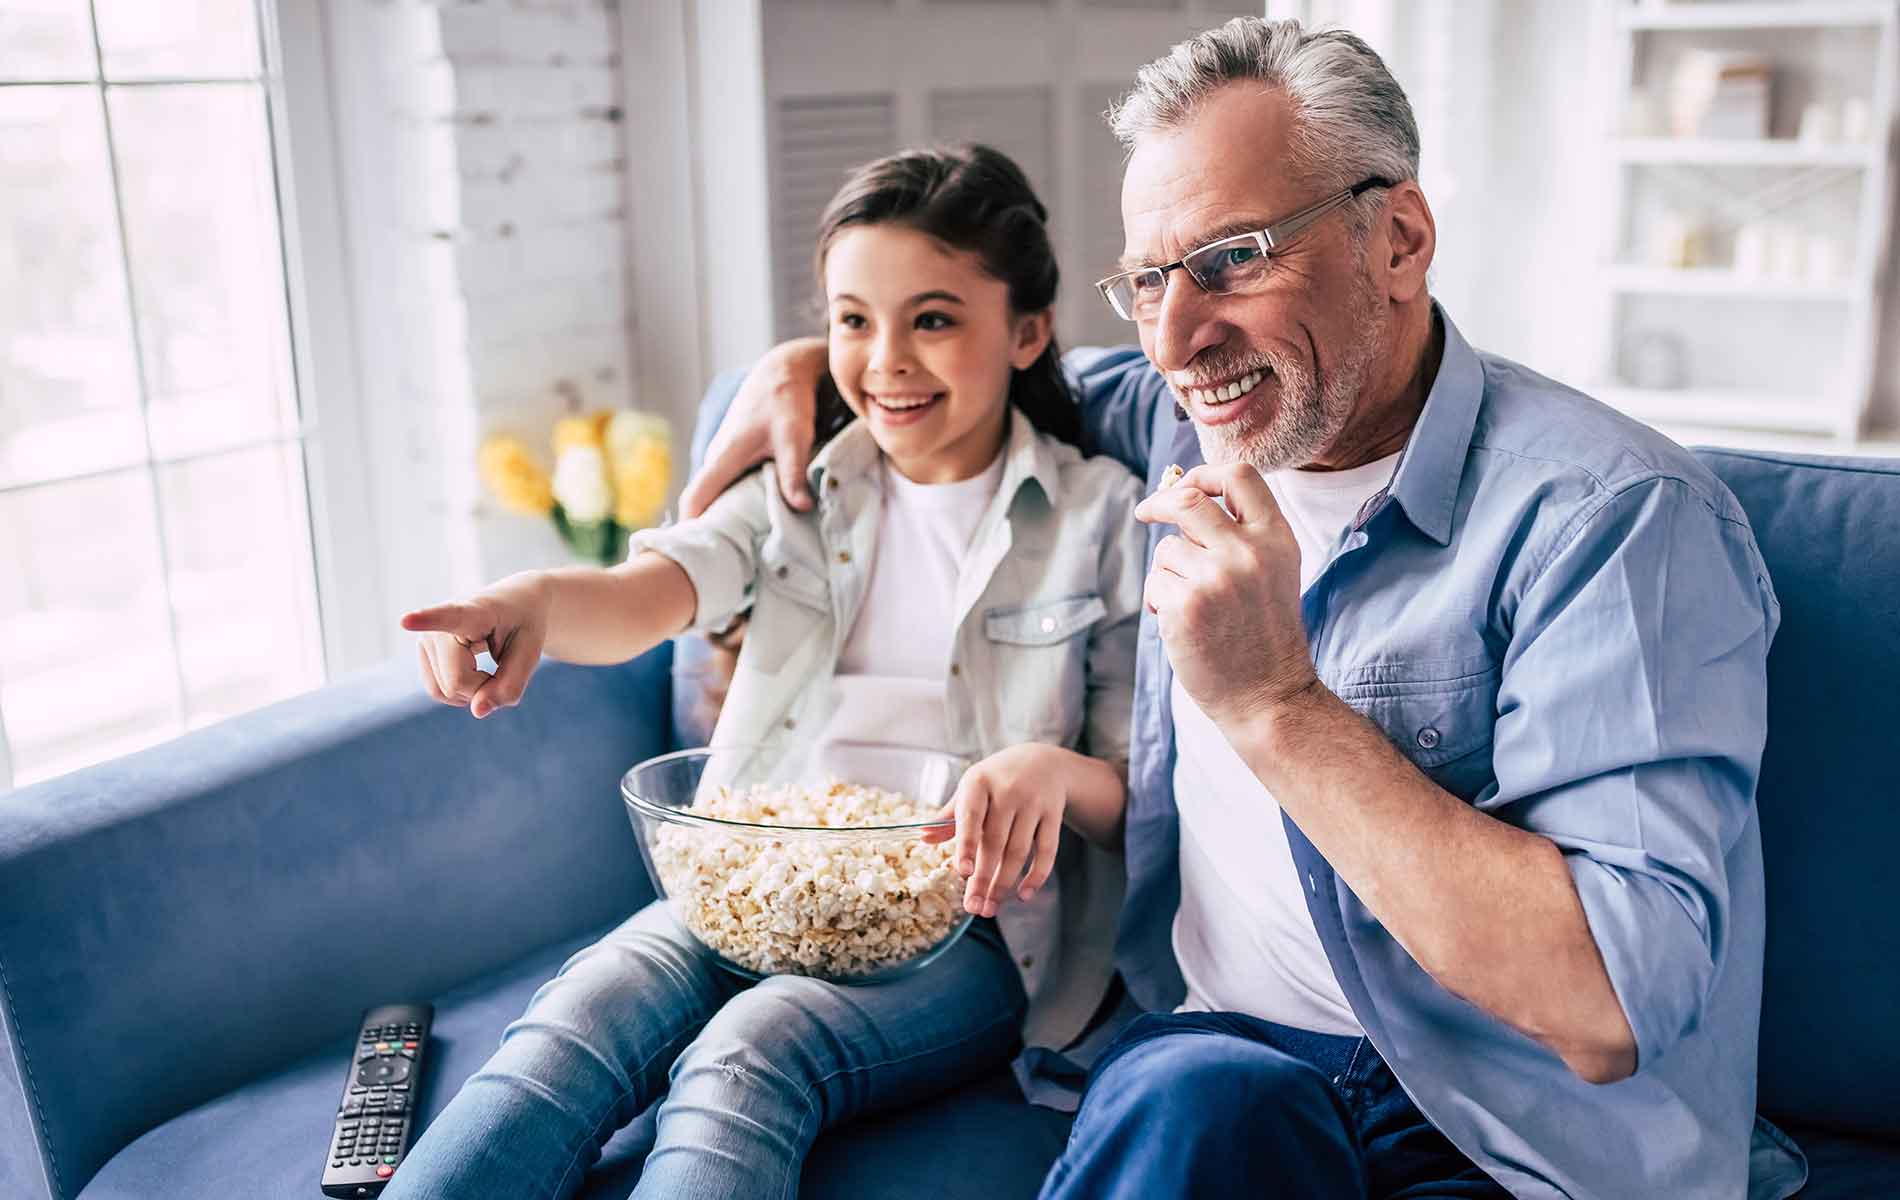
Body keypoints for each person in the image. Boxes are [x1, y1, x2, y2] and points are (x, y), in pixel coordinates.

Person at [680, 18, 1809, 1200]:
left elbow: (1609, 1004)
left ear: (1401, 238)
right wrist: (803, 369)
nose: (1176, 337)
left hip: (1503, 1131)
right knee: (1194, 1102)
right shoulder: (1171, 425)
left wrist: (1273, 700)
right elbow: (950, 377)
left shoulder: (1613, 519)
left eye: (1232, 259)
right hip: (1216, 1061)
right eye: (1149, 280)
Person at [385, 143, 1143, 1199]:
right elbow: (650, 591)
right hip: (749, 890)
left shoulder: (1102, 516)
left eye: (932, 319)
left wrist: (1049, 776)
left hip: (967, 940)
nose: (885, 360)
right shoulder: (797, 489)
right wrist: (535, 604)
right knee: (576, 1019)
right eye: (851, 320)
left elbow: (1134, 789)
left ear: (1025, 331)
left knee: (747, 1054)